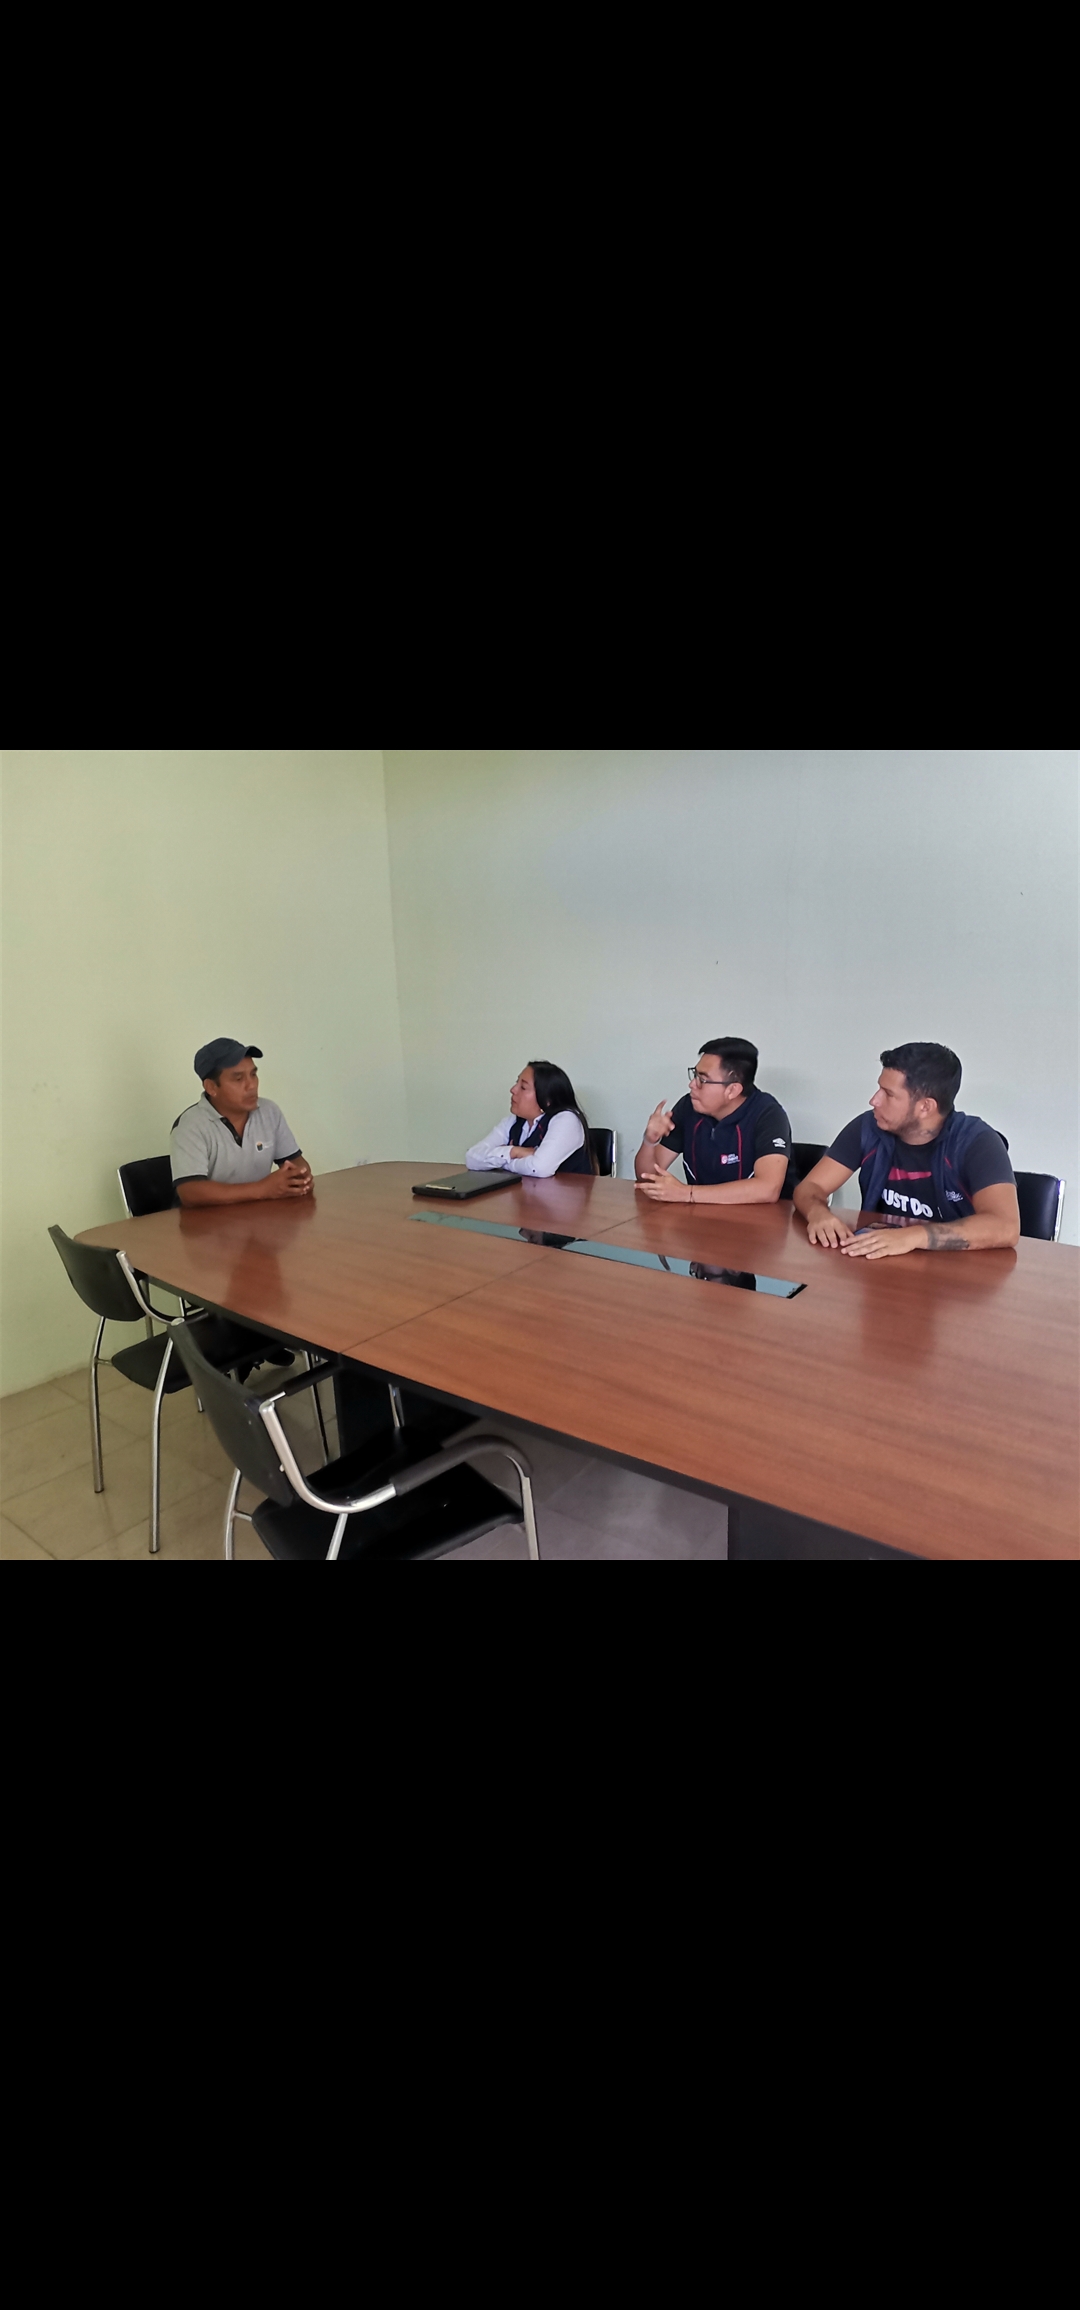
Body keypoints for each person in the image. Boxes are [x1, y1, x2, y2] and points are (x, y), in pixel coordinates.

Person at [793, 1043, 1019, 1257]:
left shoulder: (976, 1141)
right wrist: (818, 1214)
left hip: (956, 1270)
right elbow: (810, 1187)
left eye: (888, 1094)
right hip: (878, 1262)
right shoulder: (868, 1127)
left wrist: (912, 1237)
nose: (874, 1100)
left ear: (925, 1106)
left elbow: (1005, 1226)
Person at [635, 1038, 794, 1204]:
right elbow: (647, 1179)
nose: (692, 1084)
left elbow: (768, 1189)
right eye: (695, 1075)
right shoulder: (688, 1107)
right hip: (700, 1213)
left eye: (702, 1079)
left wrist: (687, 1193)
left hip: (759, 1216)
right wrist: (649, 1141)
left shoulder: (768, 1114)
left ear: (732, 1090)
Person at [170, 1040, 314, 1209]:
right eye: (238, 1079)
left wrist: (299, 1178)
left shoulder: (269, 1111)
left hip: (259, 1214)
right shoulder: (190, 1125)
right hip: (207, 1220)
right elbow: (190, 1192)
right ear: (211, 1087)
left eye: (253, 1074)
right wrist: (262, 1189)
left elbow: (296, 1161)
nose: (251, 1085)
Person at [466, 1063, 596, 1178]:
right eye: (516, 1083)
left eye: (523, 1087)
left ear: (547, 1100)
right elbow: (472, 1158)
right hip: (527, 1195)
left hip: (565, 1197)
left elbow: (539, 1168)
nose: (513, 1090)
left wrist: (500, 1162)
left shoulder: (567, 1120)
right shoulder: (512, 1122)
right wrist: (514, 1151)